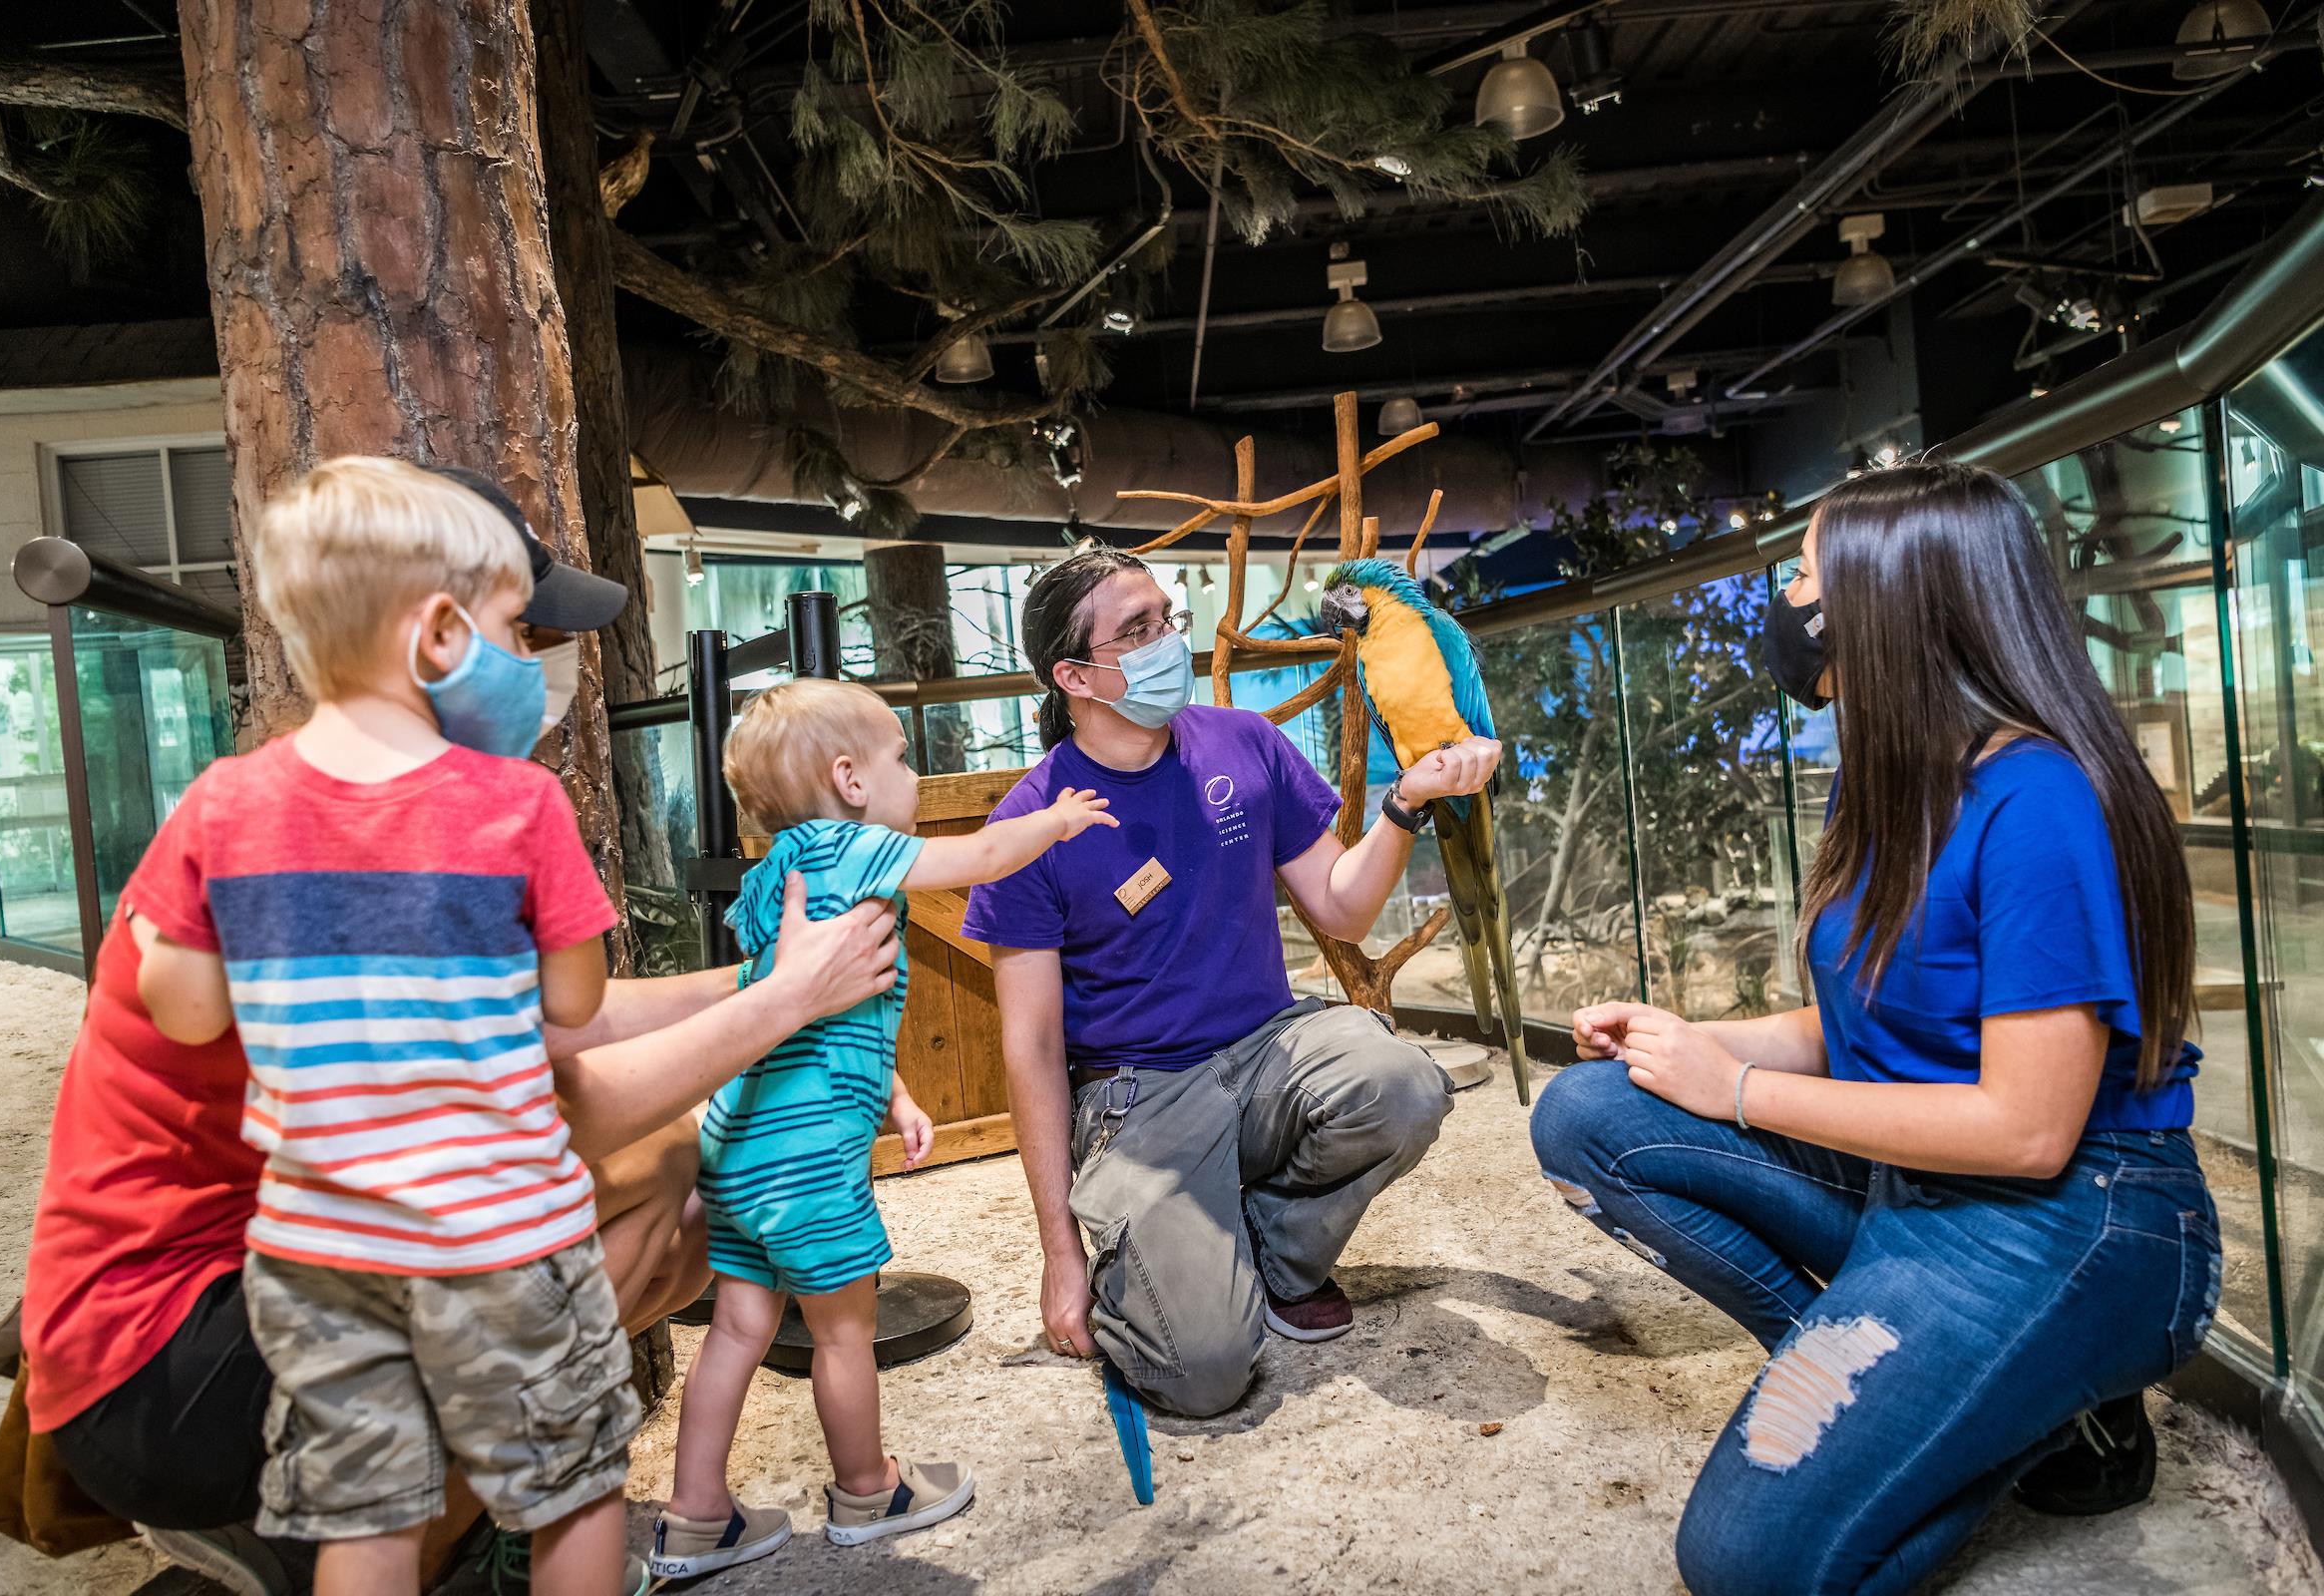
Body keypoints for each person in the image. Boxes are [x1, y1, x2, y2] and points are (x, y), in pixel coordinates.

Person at [17, 466, 902, 1596]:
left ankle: (381, 1526)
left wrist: (754, 977)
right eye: (513, 627)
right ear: (436, 635)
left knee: (677, 1176)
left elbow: (539, 1021)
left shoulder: (249, 812)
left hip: (257, 1288)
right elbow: (545, 1082)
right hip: (168, 1355)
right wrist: (784, 1004)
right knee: (655, 1200)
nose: (536, 663)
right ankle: (342, 1536)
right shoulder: (444, 827)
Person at [1527, 460, 2221, 1596]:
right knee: (1589, 1115)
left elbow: (2029, 1128)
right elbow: (1862, 1018)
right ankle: (1928, 1387)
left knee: (1744, 1566)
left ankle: (2042, 1407)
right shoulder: (1900, 774)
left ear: (1891, 603)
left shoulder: (2040, 797)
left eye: (1806, 573)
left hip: (2067, 1216)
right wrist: (1698, 1048)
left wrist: (1735, 1094)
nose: (1790, 600)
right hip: (1912, 1178)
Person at [961, 545, 1502, 1417]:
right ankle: (1160, 1246)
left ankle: (1273, 1250)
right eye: (1135, 631)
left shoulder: (1245, 743)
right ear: (1073, 675)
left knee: (1402, 1083)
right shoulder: (1026, 823)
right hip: (1139, 1097)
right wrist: (1059, 1252)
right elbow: (1030, 1047)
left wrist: (1407, 804)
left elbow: (1341, 908)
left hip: (1267, 1049)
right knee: (1203, 1372)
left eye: (1163, 619)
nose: (1165, 641)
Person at [652, 679, 1117, 1577]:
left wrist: (897, 1096)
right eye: (901, 757)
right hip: (809, 1158)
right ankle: (870, 1490)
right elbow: (979, 857)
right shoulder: (854, 849)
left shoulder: (770, 878)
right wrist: (1053, 820)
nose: (912, 774)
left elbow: (813, 1009)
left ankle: (696, 1516)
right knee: (841, 1333)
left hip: (738, 1144)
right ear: (849, 780)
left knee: (740, 1328)